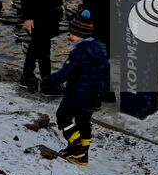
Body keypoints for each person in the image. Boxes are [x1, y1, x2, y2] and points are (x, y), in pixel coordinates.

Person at [41, 9, 110, 166]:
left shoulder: (79, 53)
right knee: (83, 122)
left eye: (73, 33)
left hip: (76, 94)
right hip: (92, 96)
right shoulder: (101, 48)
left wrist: (47, 81)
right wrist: (102, 90)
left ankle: (76, 146)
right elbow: (106, 71)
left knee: (63, 117)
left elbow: (65, 73)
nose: (70, 36)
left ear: (81, 34)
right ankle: (83, 154)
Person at [78, 0, 114, 102]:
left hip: (97, 28)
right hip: (106, 28)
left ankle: (95, 95)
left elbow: (92, 7)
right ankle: (106, 92)